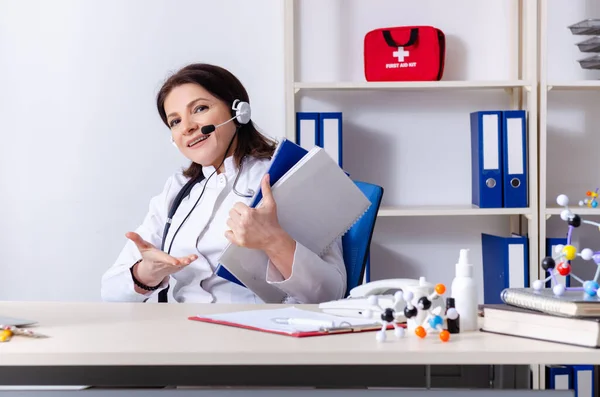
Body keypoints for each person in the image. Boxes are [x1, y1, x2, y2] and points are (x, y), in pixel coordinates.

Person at [100, 63, 347, 304]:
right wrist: (147, 273)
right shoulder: (177, 190)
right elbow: (110, 291)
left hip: (261, 334)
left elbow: (330, 295)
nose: (187, 127)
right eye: (175, 121)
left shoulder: (288, 174)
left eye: (199, 109)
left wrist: (274, 241)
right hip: (186, 332)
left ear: (239, 111)